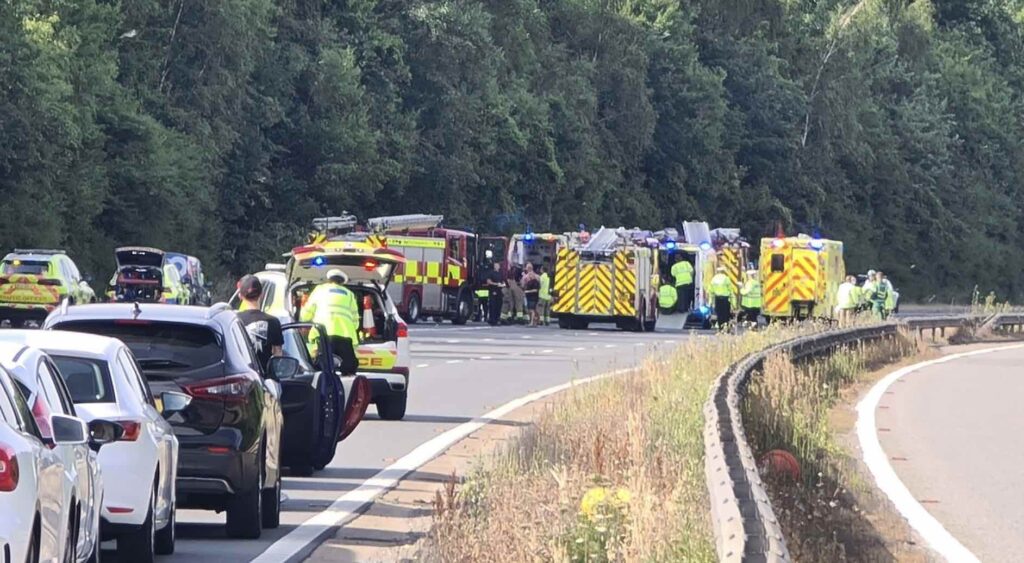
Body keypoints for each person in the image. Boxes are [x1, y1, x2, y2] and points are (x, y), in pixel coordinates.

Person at [300, 269, 360, 357]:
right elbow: (355, 321)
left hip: (322, 333)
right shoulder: (349, 294)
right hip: (346, 336)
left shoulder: (320, 290)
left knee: (320, 362)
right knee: (347, 366)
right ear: (342, 282)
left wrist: (304, 318)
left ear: (329, 280)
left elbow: (306, 314)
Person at [235, 275, 284, 372]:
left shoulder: (234, 320)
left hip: (243, 376)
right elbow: (278, 354)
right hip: (266, 379)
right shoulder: (273, 322)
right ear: (261, 294)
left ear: (240, 296)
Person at [485, 261, 504, 326]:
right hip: (493, 291)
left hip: (499, 291)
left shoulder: (501, 274)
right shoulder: (491, 273)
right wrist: (496, 284)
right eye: (495, 265)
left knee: (498, 305)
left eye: (497, 265)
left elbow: (503, 281)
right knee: (492, 305)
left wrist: (503, 284)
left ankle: (497, 319)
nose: (496, 266)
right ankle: (492, 320)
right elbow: (488, 281)